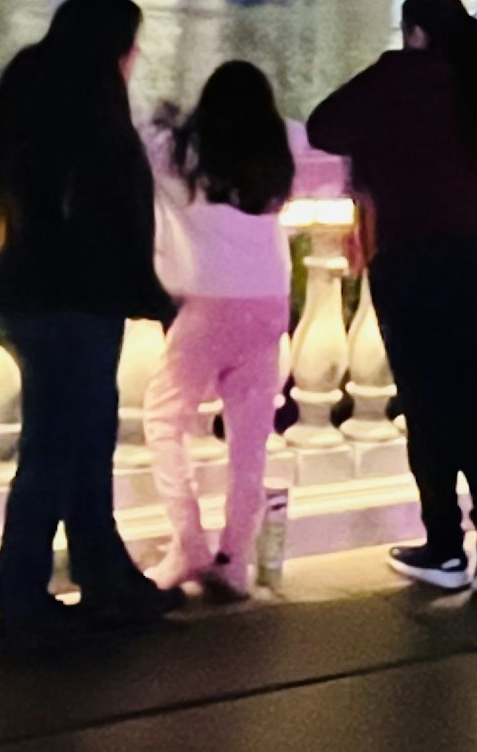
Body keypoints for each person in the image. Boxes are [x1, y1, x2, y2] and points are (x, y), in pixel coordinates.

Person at [0, 0, 179, 653]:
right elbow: (109, 211)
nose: (134, 58)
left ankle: (103, 575)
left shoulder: (30, 78)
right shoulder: (92, 102)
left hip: (25, 288)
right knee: (61, 449)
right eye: (131, 45)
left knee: (82, 439)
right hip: (73, 295)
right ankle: (23, 597)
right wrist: (151, 295)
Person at [310, 0, 477, 597]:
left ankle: (445, 546)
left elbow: (325, 126)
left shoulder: (401, 74)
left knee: (428, 406)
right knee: (467, 399)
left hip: (416, 258)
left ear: (414, 31)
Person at [139, 61, 294, 600]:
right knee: (250, 439)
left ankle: (189, 545)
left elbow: (139, 131)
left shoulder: (183, 157)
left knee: (163, 416)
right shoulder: (277, 163)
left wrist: (171, 114)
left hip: (209, 304)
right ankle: (235, 558)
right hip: (270, 303)